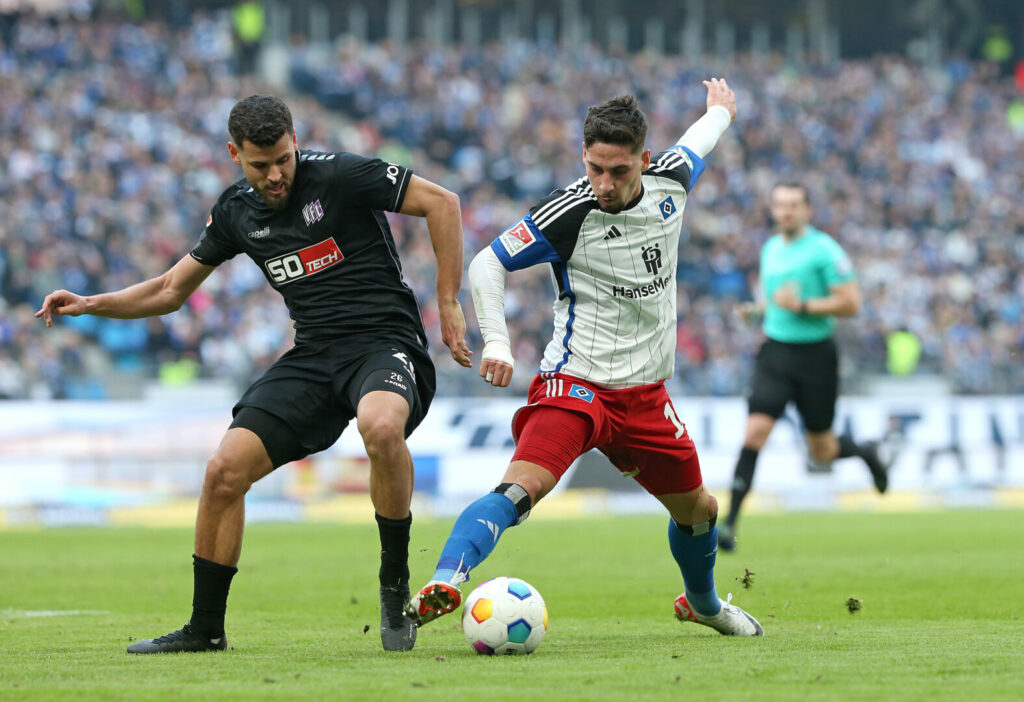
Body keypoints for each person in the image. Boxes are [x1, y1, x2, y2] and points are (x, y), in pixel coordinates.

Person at [36, 95, 472, 653]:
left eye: (283, 160)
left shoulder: (340, 175)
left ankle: (394, 589)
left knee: (381, 427)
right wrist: (91, 303)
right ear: (234, 154)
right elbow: (171, 290)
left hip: (384, 344)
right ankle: (204, 630)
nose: (275, 175)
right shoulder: (236, 212)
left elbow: (444, 203)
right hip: (314, 357)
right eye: (260, 164)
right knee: (223, 470)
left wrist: (448, 302)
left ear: (295, 141)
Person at [405, 80, 763, 637]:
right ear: (584, 156)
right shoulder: (568, 212)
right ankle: (445, 579)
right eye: (595, 167)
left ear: (644, 161)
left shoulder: (672, 179)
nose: (604, 183)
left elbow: (699, 141)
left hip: (645, 396)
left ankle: (704, 604)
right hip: (576, 384)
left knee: (700, 511)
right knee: (522, 487)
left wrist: (720, 111)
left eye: (619, 171)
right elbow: (486, 265)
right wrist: (497, 340)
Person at [718, 183, 889, 552]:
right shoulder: (771, 248)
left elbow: (851, 303)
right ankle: (729, 524)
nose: (786, 212)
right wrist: (757, 311)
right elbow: (774, 298)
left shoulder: (825, 251)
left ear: (807, 210)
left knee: (822, 451)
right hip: (776, 354)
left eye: (793, 205)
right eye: (780, 205)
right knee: (754, 435)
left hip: (816, 358)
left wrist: (804, 306)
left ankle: (865, 452)